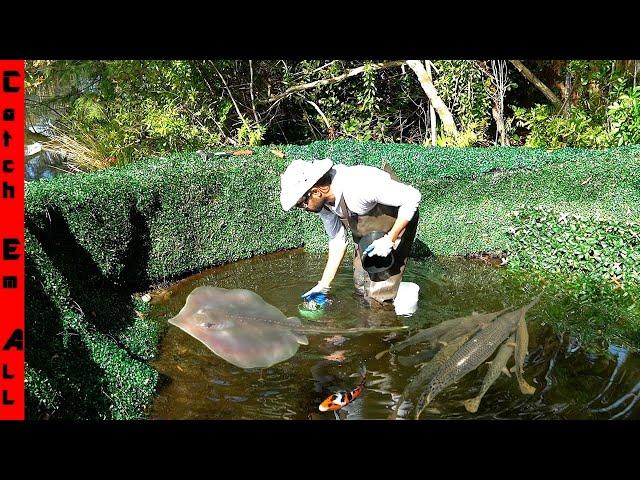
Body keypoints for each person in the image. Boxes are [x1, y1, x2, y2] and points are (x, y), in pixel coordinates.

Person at [280, 158, 422, 309]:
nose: (304, 208)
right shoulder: (324, 206)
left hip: (397, 219)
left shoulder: (358, 186)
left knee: (379, 292)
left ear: (316, 191)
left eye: (302, 203)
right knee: (361, 283)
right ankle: (366, 318)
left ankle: (384, 326)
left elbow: (412, 197)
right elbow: (337, 240)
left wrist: (390, 239)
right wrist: (323, 285)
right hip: (368, 230)